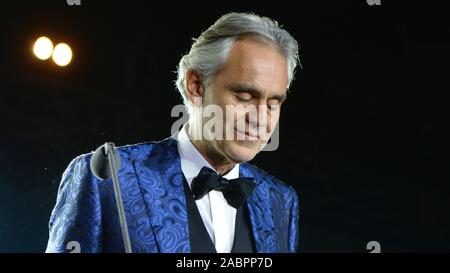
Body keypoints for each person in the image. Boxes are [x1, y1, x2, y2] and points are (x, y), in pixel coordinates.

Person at [46, 12, 300, 253]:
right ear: (195, 86)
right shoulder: (107, 177)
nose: (259, 119)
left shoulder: (280, 201)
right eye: (244, 97)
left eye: (273, 104)